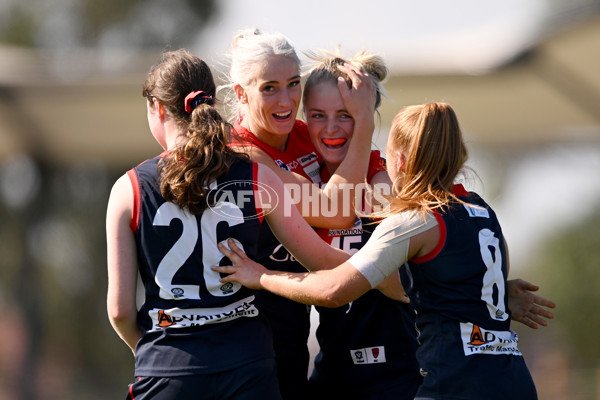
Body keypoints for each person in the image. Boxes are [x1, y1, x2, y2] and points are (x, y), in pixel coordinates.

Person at [214, 102, 556, 399]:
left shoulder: (415, 220)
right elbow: (478, 278)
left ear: (402, 160)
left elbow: (333, 290)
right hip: (514, 379)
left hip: (455, 384)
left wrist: (263, 275)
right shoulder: (483, 211)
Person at [105, 49, 354, 400]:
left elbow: (119, 311)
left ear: (157, 108)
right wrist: (393, 260)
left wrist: (153, 352)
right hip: (247, 366)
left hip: (167, 367)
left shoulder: (127, 189)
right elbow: (324, 263)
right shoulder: (258, 176)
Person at [219, 28, 379, 399]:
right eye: (269, 88)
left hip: (297, 326)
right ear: (241, 94)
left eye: (293, 84)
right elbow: (337, 211)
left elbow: (378, 190)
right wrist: (365, 123)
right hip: (250, 337)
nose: (286, 99)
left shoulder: (308, 132)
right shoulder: (242, 153)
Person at [302, 50, 422, 399]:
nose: (330, 128)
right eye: (317, 116)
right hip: (331, 374)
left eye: (346, 115)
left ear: (368, 117)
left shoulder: (389, 186)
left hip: (397, 376)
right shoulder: (302, 184)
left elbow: (404, 285)